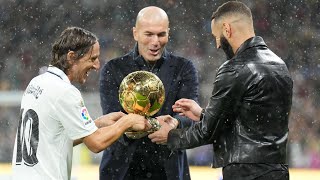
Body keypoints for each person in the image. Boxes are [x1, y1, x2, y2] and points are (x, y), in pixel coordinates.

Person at [149, 1, 293, 180]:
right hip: (277, 171)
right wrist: (203, 114)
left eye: (216, 36)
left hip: (246, 173)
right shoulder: (279, 65)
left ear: (227, 29)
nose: (217, 44)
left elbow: (207, 132)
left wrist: (170, 136)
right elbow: (252, 123)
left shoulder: (235, 68)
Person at [11, 27, 150, 180]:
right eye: (92, 59)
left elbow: (54, 139)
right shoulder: (65, 92)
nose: (97, 65)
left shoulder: (37, 83)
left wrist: (97, 124)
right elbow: (96, 144)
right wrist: (127, 121)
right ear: (71, 57)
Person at [99, 6, 199, 180]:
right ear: (135, 33)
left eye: (161, 34)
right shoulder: (113, 69)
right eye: (148, 34)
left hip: (169, 170)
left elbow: (190, 117)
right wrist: (156, 125)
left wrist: (175, 122)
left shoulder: (184, 68)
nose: (155, 41)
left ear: (168, 33)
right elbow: (112, 119)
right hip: (122, 169)